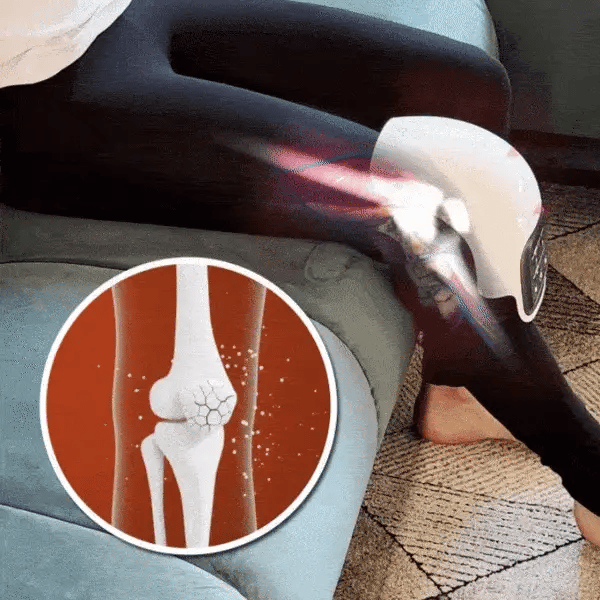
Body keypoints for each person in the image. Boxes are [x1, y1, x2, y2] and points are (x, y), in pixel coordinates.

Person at [1, 0, 599, 547]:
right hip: (40, 92)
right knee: (411, 215)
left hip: (108, 13)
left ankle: (459, 388)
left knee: (467, 88)